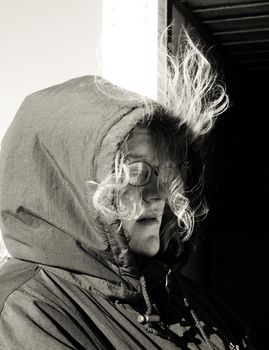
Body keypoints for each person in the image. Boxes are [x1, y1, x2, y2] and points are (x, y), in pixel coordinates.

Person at [0, 31, 252, 349]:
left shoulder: (181, 295)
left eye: (168, 173)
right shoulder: (24, 312)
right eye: (133, 174)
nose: (159, 196)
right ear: (68, 186)